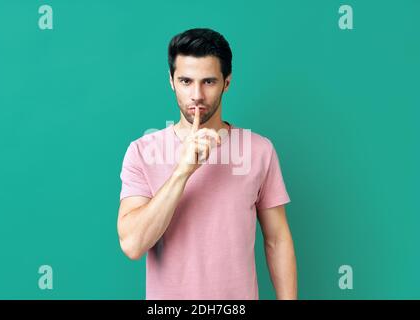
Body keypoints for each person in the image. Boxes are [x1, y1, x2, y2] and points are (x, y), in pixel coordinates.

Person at [117, 28, 297, 300]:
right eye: (186, 81)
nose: (197, 95)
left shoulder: (260, 150)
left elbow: (277, 240)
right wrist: (182, 171)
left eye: (209, 82)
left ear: (227, 82)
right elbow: (132, 244)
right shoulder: (142, 151)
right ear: (171, 81)